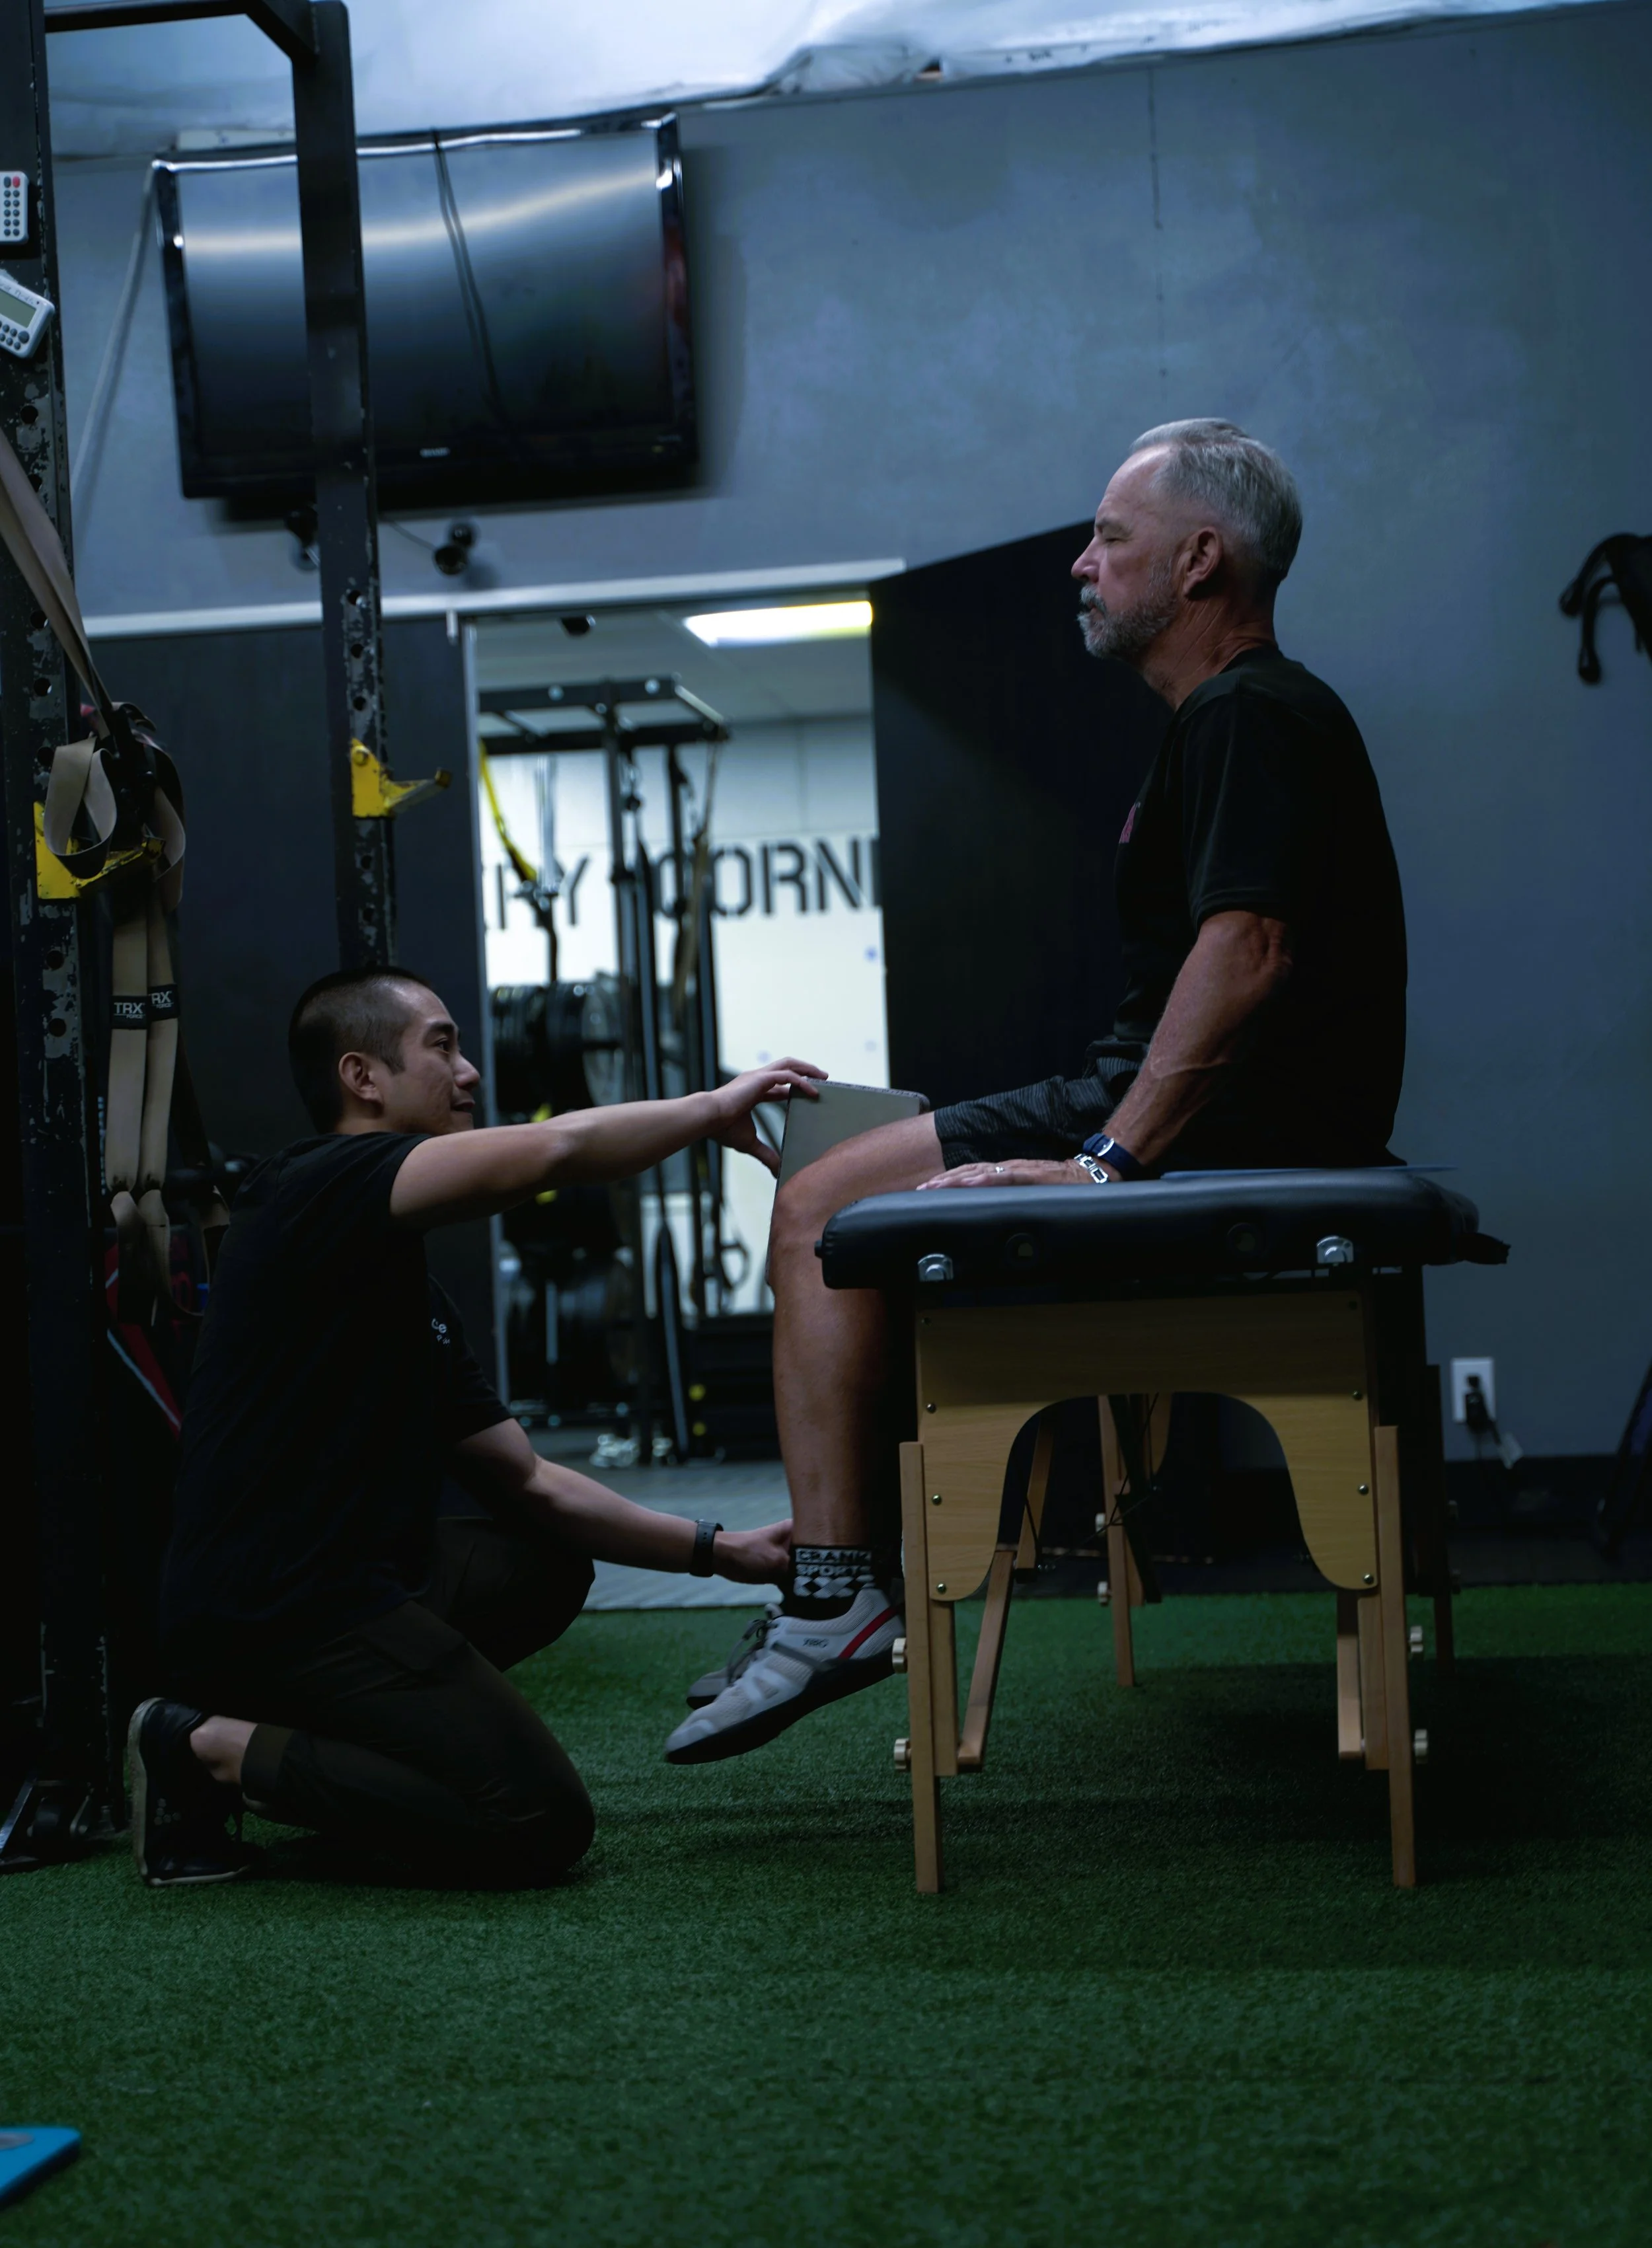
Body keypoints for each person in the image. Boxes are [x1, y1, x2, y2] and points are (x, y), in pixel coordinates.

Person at [665, 416, 1407, 1766]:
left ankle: (833, 1592)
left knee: (819, 1202)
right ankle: (849, 1567)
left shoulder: (1246, 711)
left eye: (1107, 539)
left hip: (1214, 1131)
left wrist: (1104, 1165)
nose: (1079, 563)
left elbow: (1248, 953)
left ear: (1194, 562)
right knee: (834, 1154)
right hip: (1167, 1105)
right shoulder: (1222, 720)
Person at [131, 963, 821, 1887]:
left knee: (540, 1565)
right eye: (442, 1047)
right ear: (362, 1077)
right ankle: (201, 1746)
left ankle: (335, 1739)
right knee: (536, 1822)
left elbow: (529, 1481)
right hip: (274, 1609)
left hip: (356, 1580)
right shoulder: (313, 1184)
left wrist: (720, 1550)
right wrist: (711, 1110)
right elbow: (555, 1153)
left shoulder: (405, 1288)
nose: (470, 1075)